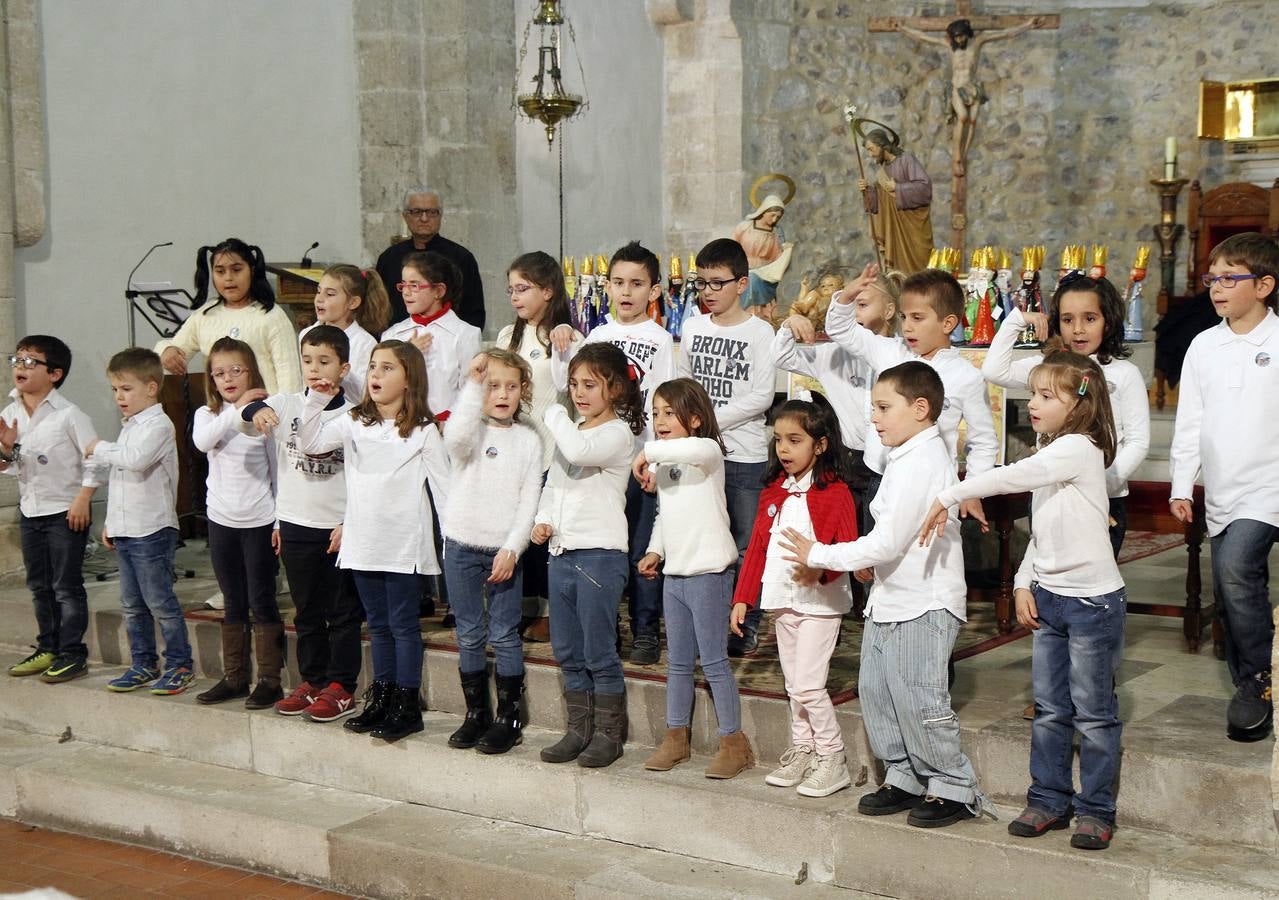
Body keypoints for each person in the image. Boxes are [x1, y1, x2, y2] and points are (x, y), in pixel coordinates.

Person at [921, 347, 1124, 851]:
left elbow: (1012, 477)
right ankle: (1048, 799)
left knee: (1093, 713)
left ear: (1079, 402)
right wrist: (1022, 582)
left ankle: (1097, 809)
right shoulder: (1052, 449)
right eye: (1031, 392)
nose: (1032, 402)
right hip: (1051, 598)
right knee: (1051, 708)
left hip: (1093, 603)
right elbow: (1042, 525)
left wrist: (950, 493)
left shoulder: (1079, 447)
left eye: (1045, 395)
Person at [780, 362, 986, 829]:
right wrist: (871, 558)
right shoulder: (905, 455)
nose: (873, 417)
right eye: (873, 407)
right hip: (893, 595)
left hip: (924, 599)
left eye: (883, 407)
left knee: (919, 696)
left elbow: (891, 539)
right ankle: (904, 774)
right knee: (877, 690)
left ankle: (951, 784)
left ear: (920, 408)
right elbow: (894, 534)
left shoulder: (924, 459)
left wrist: (821, 553)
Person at [298, 340, 450, 742]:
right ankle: (381, 697)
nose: (376, 376)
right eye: (372, 368)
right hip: (364, 539)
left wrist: (452, 543)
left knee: (402, 625)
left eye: (387, 368)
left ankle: (406, 704)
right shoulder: (354, 421)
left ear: (409, 379)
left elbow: (444, 490)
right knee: (378, 626)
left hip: (401, 543)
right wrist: (316, 399)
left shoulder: (423, 431)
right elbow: (310, 443)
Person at [1170, 232, 1279, 743]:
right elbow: (1190, 421)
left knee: (1237, 572)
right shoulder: (1203, 345)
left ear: (1264, 286)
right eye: (1213, 278)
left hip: (1269, 485)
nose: (1217, 287)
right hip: (1224, 489)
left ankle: (1258, 680)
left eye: (1230, 278)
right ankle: (1251, 681)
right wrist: (1179, 485)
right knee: (1233, 588)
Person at [552, 241, 676, 664]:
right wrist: (562, 343)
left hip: (640, 461)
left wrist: (657, 459)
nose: (626, 291)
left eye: (636, 284)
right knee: (605, 549)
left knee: (642, 548)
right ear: (606, 286)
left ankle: (646, 629)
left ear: (654, 291)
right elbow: (567, 385)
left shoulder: (660, 340)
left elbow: (665, 403)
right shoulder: (597, 335)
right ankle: (610, 626)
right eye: (619, 282)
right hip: (599, 463)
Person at [730, 394, 858, 797]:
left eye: (795, 440)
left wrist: (822, 567)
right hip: (783, 598)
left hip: (821, 602)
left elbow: (849, 548)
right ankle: (803, 748)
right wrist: (742, 598)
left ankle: (832, 757)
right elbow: (756, 550)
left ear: (820, 445)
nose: (783, 448)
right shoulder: (773, 492)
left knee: (808, 685)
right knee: (792, 684)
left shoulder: (836, 493)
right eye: (779, 440)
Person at [634, 378, 754, 779]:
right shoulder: (666, 463)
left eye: (669, 413)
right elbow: (665, 515)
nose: (660, 420)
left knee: (715, 662)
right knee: (679, 663)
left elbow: (685, 448)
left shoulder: (707, 452)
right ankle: (675, 737)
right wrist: (656, 550)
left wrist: (646, 452)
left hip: (709, 573)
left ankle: (732, 741)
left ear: (697, 419)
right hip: (676, 576)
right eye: (655, 414)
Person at [982, 273, 1150, 556]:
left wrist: (1103, 481)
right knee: (1045, 572)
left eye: (1090, 318)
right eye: (1068, 319)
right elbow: (994, 371)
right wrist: (1016, 320)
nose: (1079, 330)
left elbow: (1138, 441)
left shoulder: (1124, 374)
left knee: (1091, 583)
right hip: (1050, 494)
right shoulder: (1049, 368)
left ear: (1108, 320)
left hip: (1103, 497)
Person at [243, 325, 363, 723]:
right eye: (308, 360)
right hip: (295, 523)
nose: (315, 369)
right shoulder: (288, 403)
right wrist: (256, 410)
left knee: (342, 611)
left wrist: (350, 521)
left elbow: (362, 477)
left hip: (338, 526)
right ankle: (313, 680)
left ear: (344, 367)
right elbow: (248, 411)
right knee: (307, 610)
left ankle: (342, 686)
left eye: (325, 361)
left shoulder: (355, 414)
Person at [825, 264, 997, 533]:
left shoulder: (967, 377)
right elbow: (841, 330)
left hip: (933, 487)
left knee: (924, 559)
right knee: (875, 562)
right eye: (904, 317)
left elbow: (984, 441)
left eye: (917, 318)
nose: (907, 327)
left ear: (948, 323)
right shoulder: (890, 351)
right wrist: (848, 295)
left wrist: (972, 489)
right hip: (880, 478)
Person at [535, 343, 643, 769]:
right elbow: (554, 484)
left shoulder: (618, 434)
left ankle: (608, 734)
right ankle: (578, 728)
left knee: (598, 649)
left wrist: (555, 410)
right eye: (574, 384)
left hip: (598, 557)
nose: (579, 393)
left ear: (614, 389)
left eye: (590, 385)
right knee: (567, 648)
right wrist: (542, 520)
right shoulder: (573, 432)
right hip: (562, 552)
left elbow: (578, 452)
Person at [678, 238, 778, 656]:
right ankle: (710, 621)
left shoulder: (760, 332)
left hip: (744, 454)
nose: (707, 292)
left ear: (741, 283)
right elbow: (683, 383)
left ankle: (746, 622)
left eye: (717, 283)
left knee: (746, 543)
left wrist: (709, 420)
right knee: (705, 540)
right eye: (701, 283)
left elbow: (762, 396)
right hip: (699, 454)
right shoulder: (693, 327)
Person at [442, 349, 544, 755]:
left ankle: (508, 717)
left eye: (511, 386)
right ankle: (475, 713)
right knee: (469, 634)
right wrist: (471, 383)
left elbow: (528, 502)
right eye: (493, 385)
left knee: (504, 635)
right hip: (462, 546)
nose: (502, 394)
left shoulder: (529, 440)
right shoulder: (471, 431)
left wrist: (512, 549)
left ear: (523, 391)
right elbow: (457, 437)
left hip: (503, 552)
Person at [86, 349, 194, 695]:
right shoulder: (129, 426)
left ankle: (179, 664)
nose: (119, 396)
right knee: (132, 604)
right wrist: (109, 524)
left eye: (126, 388)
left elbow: (134, 461)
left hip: (152, 530)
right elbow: (120, 479)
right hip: (127, 530)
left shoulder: (159, 425)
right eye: (115, 389)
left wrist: (97, 447)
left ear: (151, 387)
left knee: (160, 602)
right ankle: (143, 663)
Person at [0, 336, 102, 683]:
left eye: (31, 362)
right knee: (39, 585)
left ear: (55, 373)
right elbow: (8, 466)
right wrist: (6, 451)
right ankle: (48, 648)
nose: (20, 367)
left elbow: (96, 459)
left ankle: (73, 653)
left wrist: (83, 499)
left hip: (66, 511)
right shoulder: (10, 413)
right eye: (17, 360)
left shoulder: (70, 414)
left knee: (66, 586)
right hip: (31, 511)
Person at [191, 339, 282, 710]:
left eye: (236, 370)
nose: (227, 378)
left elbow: (278, 470)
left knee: (262, 600)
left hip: (259, 519)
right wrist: (236, 409)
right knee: (232, 600)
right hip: (221, 519)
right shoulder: (207, 414)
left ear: (252, 372)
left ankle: (270, 680)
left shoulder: (267, 412)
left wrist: (279, 521)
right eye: (219, 372)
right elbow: (201, 443)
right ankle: (234, 677)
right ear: (211, 379)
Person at [774, 269, 901, 534]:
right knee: (848, 540)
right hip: (848, 465)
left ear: (889, 311)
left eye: (862, 305)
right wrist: (790, 324)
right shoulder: (833, 355)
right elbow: (782, 358)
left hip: (893, 463)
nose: (854, 313)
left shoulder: (901, 355)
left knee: (885, 539)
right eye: (850, 305)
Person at [499, 251, 580, 643]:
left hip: (553, 449)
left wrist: (563, 345)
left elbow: (568, 390)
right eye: (511, 289)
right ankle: (524, 605)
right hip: (515, 449)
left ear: (548, 291)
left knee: (546, 531)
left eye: (523, 288)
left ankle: (550, 610)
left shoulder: (567, 336)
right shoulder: (505, 336)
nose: (515, 297)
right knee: (518, 530)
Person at [156, 238, 302, 395]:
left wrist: (284, 415)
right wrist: (166, 350)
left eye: (237, 270)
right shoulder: (205, 315)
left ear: (251, 270)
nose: (228, 278)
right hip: (219, 414)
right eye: (220, 271)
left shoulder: (272, 316)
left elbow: (289, 377)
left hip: (266, 413)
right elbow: (173, 354)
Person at [382, 251, 481, 421]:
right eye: (403, 285)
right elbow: (382, 386)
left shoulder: (465, 334)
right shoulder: (392, 334)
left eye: (414, 285)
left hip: (446, 428)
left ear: (439, 291)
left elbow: (471, 391)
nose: (406, 292)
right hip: (399, 427)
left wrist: (445, 419)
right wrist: (406, 357)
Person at [375, 188, 485, 330]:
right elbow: (378, 307)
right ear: (405, 216)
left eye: (432, 212)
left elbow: (474, 312)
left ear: (441, 216)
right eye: (417, 212)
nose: (424, 218)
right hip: (398, 339)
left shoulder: (461, 257)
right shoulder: (389, 258)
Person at [299, 264, 392, 400]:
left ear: (353, 302)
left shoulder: (364, 343)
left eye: (330, 294)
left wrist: (337, 370)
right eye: (318, 291)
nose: (319, 299)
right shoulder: (307, 334)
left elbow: (364, 393)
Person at [859, 130, 934, 275]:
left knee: (922, 270)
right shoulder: (884, 169)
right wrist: (867, 190)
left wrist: (898, 188)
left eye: (871, 149)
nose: (870, 154)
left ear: (882, 145)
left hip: (913, 227)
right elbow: (881, 201)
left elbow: (925, 188)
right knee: (900, 273)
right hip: (895, 229)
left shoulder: (906, 160)